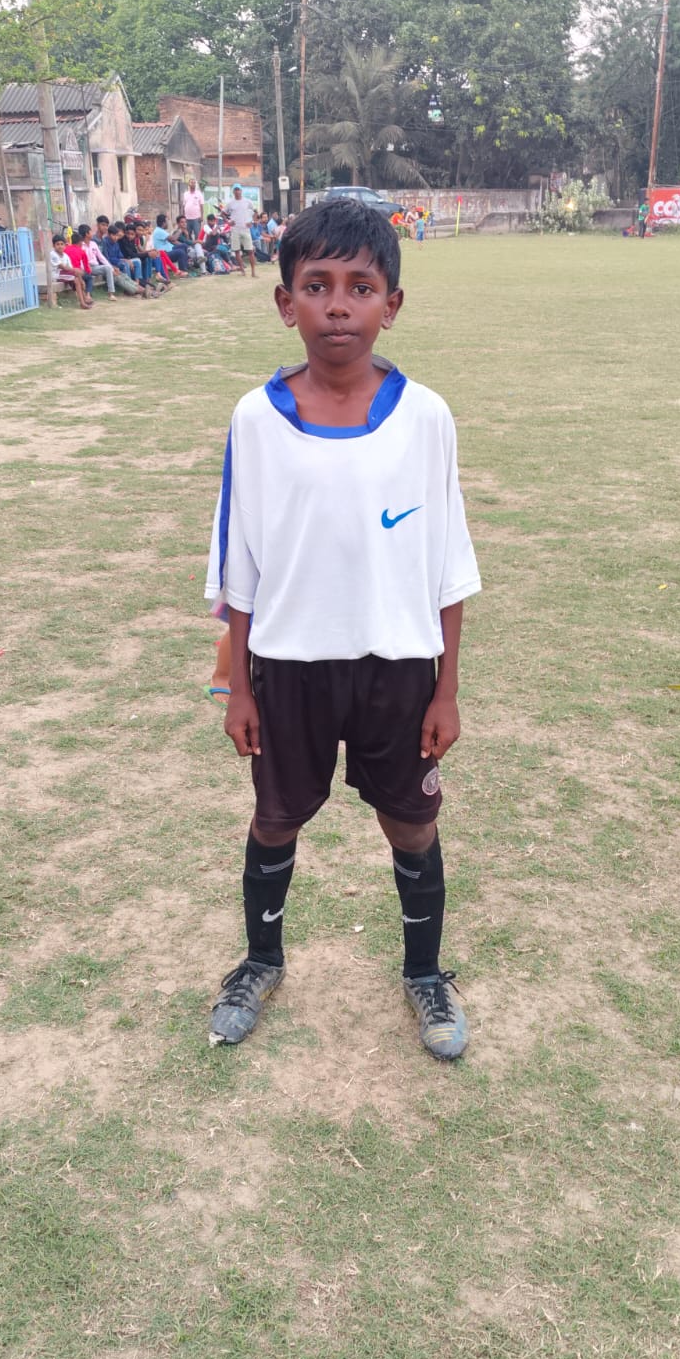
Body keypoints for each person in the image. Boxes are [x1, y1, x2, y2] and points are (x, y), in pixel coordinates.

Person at [204, 199, 481, 1060]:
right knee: (275, 818)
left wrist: (446, 689)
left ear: (391, 305)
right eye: (316, 285)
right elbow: (239, 564)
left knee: (412, 824)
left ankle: (425, 973)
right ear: (283, 300)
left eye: (360, 287)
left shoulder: (426, 417)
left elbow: (448, 563)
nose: (337, 306)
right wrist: (236, 685)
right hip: (289, 666)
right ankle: (260, 960)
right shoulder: (255, 419)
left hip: (398, 667)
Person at [221, 184, 258, 278]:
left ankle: (253, 272)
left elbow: (256, 212)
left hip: (245, 229)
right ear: (233, 192)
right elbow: (222, 213)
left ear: (241, 191)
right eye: (235, 190)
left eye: (239, 190)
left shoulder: (247, 201)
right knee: (237, 251)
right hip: (235, 229)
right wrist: (228, 222)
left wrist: (252, 221)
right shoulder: (230, 203)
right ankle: (242, 270)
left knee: (250, 251)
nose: (237, 191)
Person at [50, 235, 92, 308]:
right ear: (54, 245)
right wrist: (76, 271)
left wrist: (81, 279)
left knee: (77, 278)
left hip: (65, 275)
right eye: (57, 244)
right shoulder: (53, 254)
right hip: (56, 275)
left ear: (65, 245)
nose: (60, 246)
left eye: (62, 244)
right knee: (77, 276)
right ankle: (83, 302)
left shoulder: (65, 255)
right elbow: (62, 267)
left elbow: (70, 268)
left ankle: (84, 300)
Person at [77, 224, 118, 299]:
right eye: (90, 232)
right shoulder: (80, 245)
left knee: (108, 268)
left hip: (95, 267)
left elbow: (101, 257)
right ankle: (87, 294)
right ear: (86, 234)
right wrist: (86, 267)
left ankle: (111, 293)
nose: (92, 233)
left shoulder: (93, 244)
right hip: (85, 268)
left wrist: (112, 268)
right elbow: (79, 260)